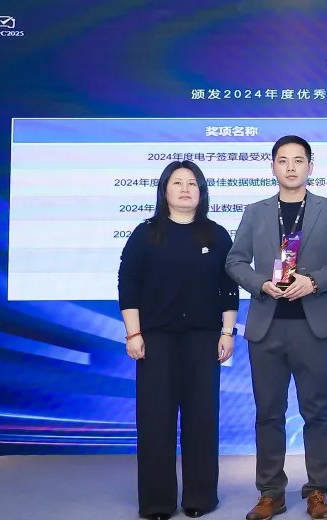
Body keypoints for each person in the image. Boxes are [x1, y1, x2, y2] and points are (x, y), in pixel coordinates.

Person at [225, 135, 327, 520]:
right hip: (266, 326)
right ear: (273, 167)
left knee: (317, 412)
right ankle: (270, 493)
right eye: (283, 160)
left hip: (311, 327)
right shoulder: (255, 212)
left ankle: (318, 490)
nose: (291, 167)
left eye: (299, 160)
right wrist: (260, 283)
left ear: (311, 166)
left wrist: (313, 282)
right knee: (268, 413)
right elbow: (235, 261)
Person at [118, 160, 239, 520]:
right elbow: (128, 285)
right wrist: (134, 333)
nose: (185, 189)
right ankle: (157, 502)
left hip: (204, 339)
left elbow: (228, 287)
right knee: (155, 420)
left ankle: (200, 498)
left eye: (192, 183)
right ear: (164, 190)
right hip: (155, 339)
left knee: (202, 419)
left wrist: (228, 332)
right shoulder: (146, 233)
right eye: (177, 183)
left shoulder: (216, 235)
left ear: (202, 192)